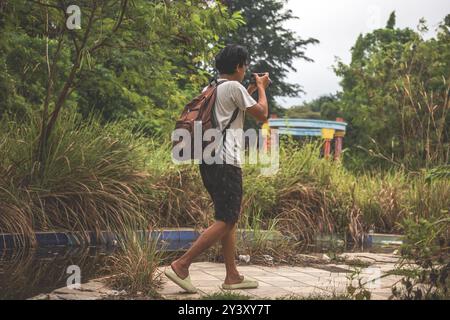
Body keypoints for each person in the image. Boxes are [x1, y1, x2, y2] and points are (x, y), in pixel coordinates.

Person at [165, 44, 271, 293]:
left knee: (227, 218)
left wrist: (251, 90)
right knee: (227, 219)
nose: (246, 70)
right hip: (226, 162)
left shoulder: (212, 87)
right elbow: (263, 114)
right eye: (244, 66)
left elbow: (229, 107)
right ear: (238, 66)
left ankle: (232, 276)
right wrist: (262, 89)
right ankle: (182, 265)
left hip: (208, 160)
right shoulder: (234, 88)